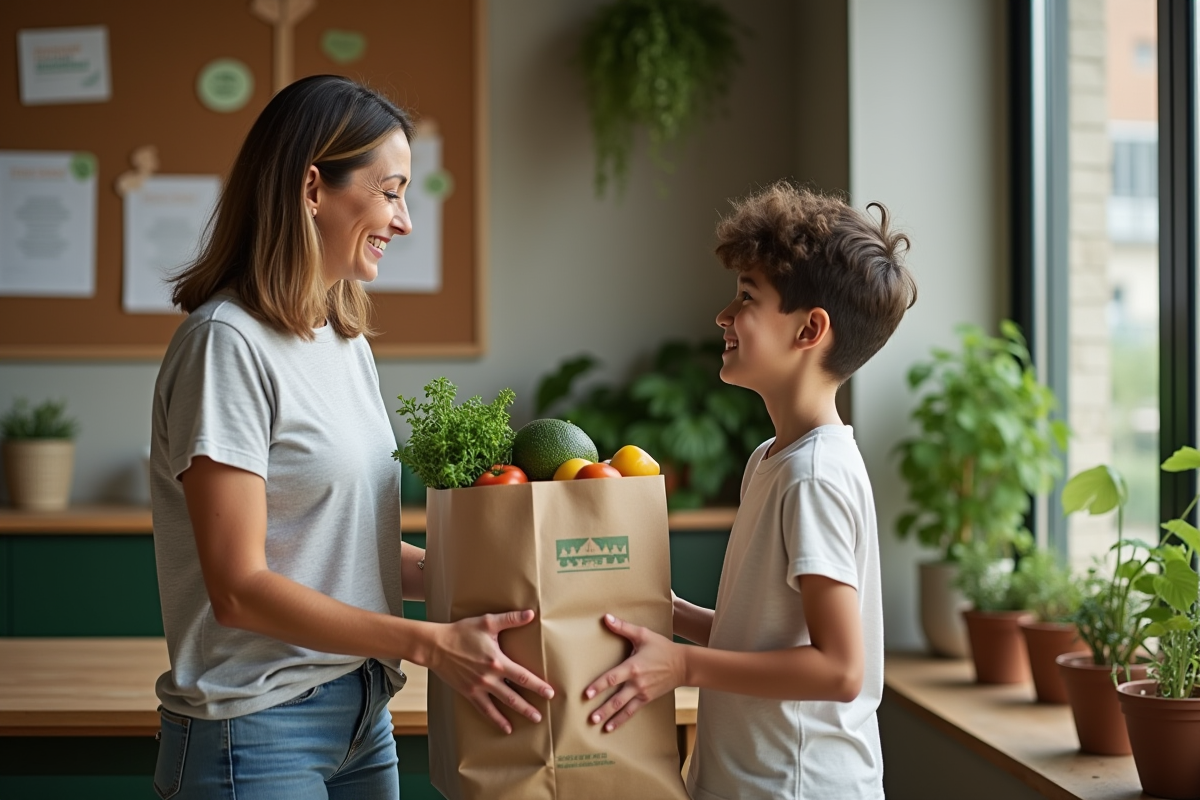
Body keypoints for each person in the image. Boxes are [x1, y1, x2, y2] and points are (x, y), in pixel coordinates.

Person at [149, 74, 553, 800]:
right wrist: (429, 644)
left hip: (361, 712)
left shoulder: (340, 338)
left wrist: (505, 575)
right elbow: (240, 589)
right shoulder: (226, 346)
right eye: (391, 190)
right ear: (312, 189)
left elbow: (336, 546)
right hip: (257, 727)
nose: (404, 221)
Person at [583, 181, 917, 800]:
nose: (723, 316)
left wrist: (681, 665)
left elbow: (840, 669)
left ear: (808, 330)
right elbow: (765, 640)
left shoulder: (812, 475)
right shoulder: (773, 459)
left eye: (746, 298)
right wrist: (672, 615)